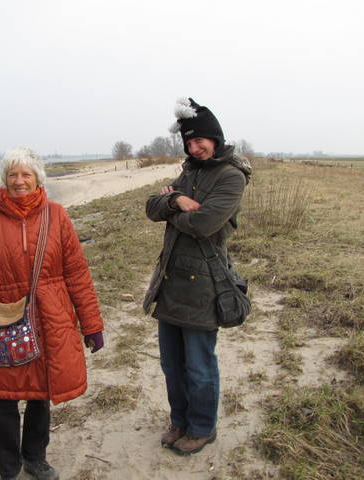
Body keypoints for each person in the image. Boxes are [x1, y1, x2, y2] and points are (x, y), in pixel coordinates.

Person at [0, 147, 105, 480]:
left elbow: (77, 273)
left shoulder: (57, 216)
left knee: (40, 395)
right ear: (4, 179)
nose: (19, 181)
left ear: (38, 178)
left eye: (26, 174)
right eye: (12, 175)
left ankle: (35, 458)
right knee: (3, 400)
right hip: (2, 322)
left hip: (50, 320)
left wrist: (92, 324)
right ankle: (8, 468)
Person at [143, 98, 251, 456]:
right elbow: (151, 207)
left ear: (215, 138)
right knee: (172, 364)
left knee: (200, 366)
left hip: (204, 285)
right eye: (188, 142)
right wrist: (177, 201)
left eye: (199, 140)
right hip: (170, 281)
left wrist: (172, 207)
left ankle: (202, 428)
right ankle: (180, 421)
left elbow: (203, 224)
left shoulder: (232, 176)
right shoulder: (189, 172)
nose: (194, 147)